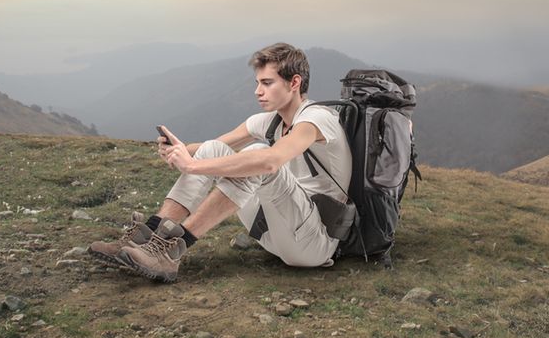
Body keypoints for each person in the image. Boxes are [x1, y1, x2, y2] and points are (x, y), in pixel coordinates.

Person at [89, 43, 353, 282]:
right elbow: (212, 148)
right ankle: (147, 238)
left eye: (267, 83)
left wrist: (191, 166)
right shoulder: (270, 121)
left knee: (259, 156)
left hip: (314, 242)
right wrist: (179, 149)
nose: (257, 91)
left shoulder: (317, 119)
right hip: (275, 233)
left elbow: (271, 162)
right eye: (257, 82)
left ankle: (171, 252)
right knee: (215, 149)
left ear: (294, 82)